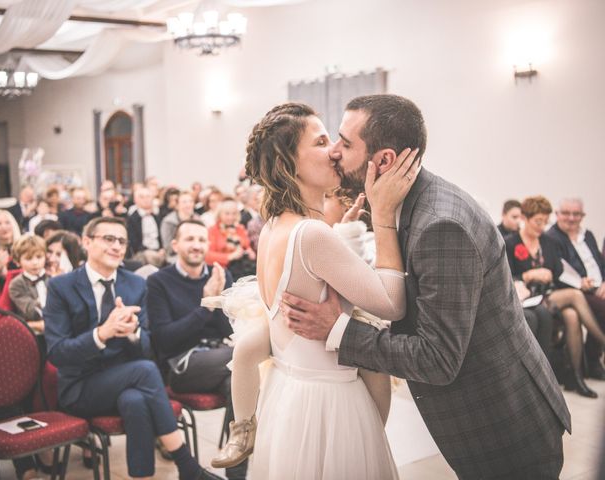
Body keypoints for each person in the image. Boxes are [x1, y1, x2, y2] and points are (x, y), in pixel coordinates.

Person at [281, 95, 571, 479]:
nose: (335, 152)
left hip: (504, 423)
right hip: (492, 408)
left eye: (345, 143)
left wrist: (338, 329)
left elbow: (437, 358)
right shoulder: (409, 202)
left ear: (383, 160)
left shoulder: (440, 226)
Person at [214, 103, 413, 479]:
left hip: (290, 395)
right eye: (321, 142)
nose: (335, 151)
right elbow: (391, 304)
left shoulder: (275, 225)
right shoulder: (312, 233)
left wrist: (347, 232)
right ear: (289, 164)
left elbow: (322, 276)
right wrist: (383, 216)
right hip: (329, 403)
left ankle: (242, 430)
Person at [44, 216, 221, 480]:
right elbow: (57, 353)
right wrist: (102, 333)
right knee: (146, 371)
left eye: (122, 241)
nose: (116, 246)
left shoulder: (135, 284)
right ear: (87, 242)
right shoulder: (61, 286)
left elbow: (148, 347)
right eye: (108, 239)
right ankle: (187, 466)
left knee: (136, 401)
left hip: (126, 382)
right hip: (80, 386)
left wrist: (134, 333)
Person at [147, 219, 246, 480]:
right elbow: (165, 340)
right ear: (175, 244)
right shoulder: (159, 282)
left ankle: (234, 473)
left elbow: (228, 331)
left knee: (239, 384)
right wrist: (206, 304)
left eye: (202, 240)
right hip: (181, 366)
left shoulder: (220, 275)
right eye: (190, 239)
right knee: (247, 356)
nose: (196, 246)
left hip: (219, 360)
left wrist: (219, 299)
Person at [505, 195, 605, 397]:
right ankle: (602, 338)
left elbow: (559, 271)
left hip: (548, 296)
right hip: (525, 297)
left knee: (572, 315)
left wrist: (571, 278)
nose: (541, 227)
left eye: (545, 221)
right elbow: (506, 276)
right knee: (576, 296)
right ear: (525, 218)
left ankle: (576, 379)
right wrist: (528, 275)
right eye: (537, 222)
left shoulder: (547, 241)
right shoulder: (511, 242)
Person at [547, 197, 605, 380]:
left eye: (576, 214)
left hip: (599, 286)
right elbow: (557, 273)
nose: (571, 218)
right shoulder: (551, 238)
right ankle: (593, 361)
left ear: (582, 216)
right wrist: (581, 283)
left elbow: (600, 263)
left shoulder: (587, 235)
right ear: (557, 214)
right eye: (566, 213)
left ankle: (593, 359)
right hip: (577, 291)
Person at [205, 198, 256, 280]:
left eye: (234, 214)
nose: (231, 217)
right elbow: (207, 256)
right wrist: (230, 256)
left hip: (242, 270)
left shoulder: (240, 228)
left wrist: (250, 251)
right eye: (227, 214)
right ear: (219, 214)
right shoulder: (212, 230)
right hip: (222, 272)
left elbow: (246, 245)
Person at [9, 234, 50, 334]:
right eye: (29, 258)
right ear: (18, 261)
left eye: (39, 257)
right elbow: (30, 311)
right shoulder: (16, 284)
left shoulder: (53, 278)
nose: (35, 262)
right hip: (32, 332)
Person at [126, 186, 165, 267]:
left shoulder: (158, 216)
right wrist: (148, 251)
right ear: (135, 200)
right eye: (142, 197)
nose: (146, 199)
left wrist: (162, 249)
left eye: (148, 196)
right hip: (142, 253)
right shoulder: (132, 218)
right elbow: (133, 242)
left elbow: (162, 236)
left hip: (159, 250)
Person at [160, 190, 199, 262]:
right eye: (184, 202)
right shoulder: (168, 222)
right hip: (175, 256)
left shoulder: (198, 220)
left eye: (191, 201)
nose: (188, 204)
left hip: (195, 252)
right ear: (177, 205)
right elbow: (168, 248)